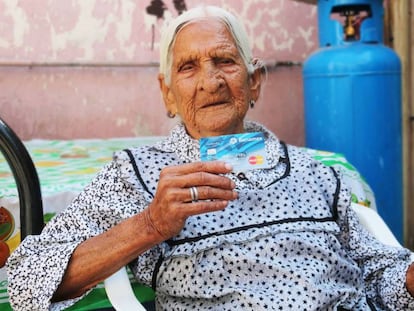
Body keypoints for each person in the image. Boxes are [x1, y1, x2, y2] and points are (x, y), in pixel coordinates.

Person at [6, 5, 414, 311]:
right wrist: (151, 224)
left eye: (225, 61)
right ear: (168, 94)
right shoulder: (139, 175)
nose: (211, 81)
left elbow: (383, 278)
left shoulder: (318, 173)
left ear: (254, 83)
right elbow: (26, 280)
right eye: (188, 68)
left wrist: (409, 280)